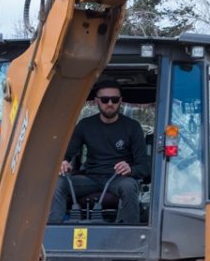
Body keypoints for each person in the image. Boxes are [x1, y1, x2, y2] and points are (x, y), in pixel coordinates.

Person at [48, 78, 148, 224]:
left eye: (114, 100)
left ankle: (129, 234)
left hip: (118, 179)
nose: (110, 104)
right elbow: (66, 153)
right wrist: (63, 162)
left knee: (129, 186)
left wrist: (130, 169)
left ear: (120, 101)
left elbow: (143, 167)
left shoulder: (132, 127)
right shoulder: (85, 125)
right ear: (96, 101)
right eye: (105, 99)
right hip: (90, 179)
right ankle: (53, 230)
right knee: (58, 183)